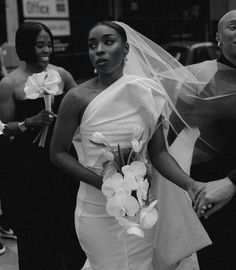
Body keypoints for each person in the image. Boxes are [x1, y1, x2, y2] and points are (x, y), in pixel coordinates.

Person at [50, 21, 211, 270]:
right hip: (96, 209)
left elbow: (158, 154)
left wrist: (191, 185)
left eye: (108, 42)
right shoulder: (76, 98)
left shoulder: (147, 92)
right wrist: (101, 182)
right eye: (92, 46)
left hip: (139, 208)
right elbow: (58, 153)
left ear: (126, 49)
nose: (99, 50)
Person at [0, 21, 86, 270]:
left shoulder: (63, 74)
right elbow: (3, 128)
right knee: (35, 229)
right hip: (27, 165)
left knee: (69, 223)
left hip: (61, 158)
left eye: (49, 44)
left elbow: (86, 108)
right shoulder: (10, 83)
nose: (47, 49)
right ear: (26, 46)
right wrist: (29, 122)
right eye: (40, 45)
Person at [185, 10, 236, 270]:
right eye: (233, 27)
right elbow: (176, 134)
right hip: (212, 195)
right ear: (218, 37)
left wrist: (232, 182)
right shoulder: (199, 81)